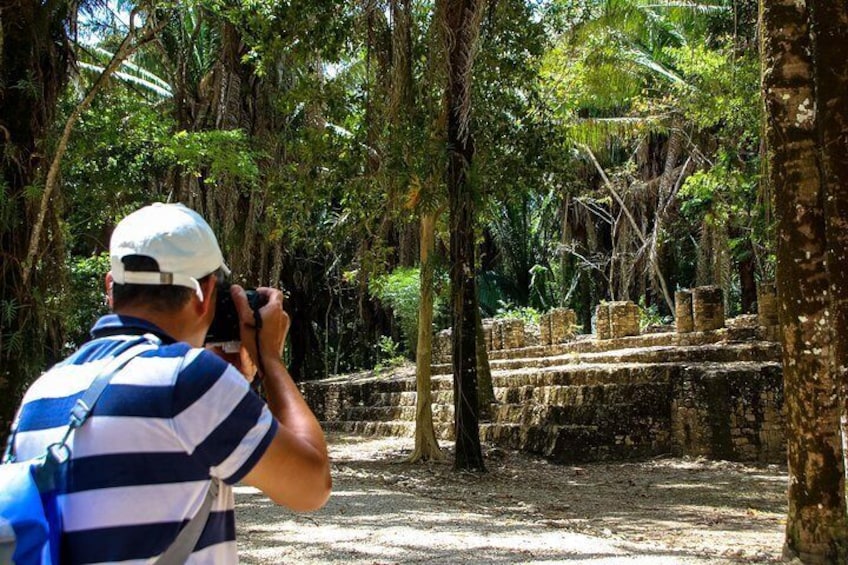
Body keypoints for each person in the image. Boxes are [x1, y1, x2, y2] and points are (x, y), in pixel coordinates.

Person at [5, 202, 331, 563]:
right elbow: (312, 486)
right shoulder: (189, 380)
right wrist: (269, 358)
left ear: (111, 287)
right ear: (206, 294)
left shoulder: (42, 392)